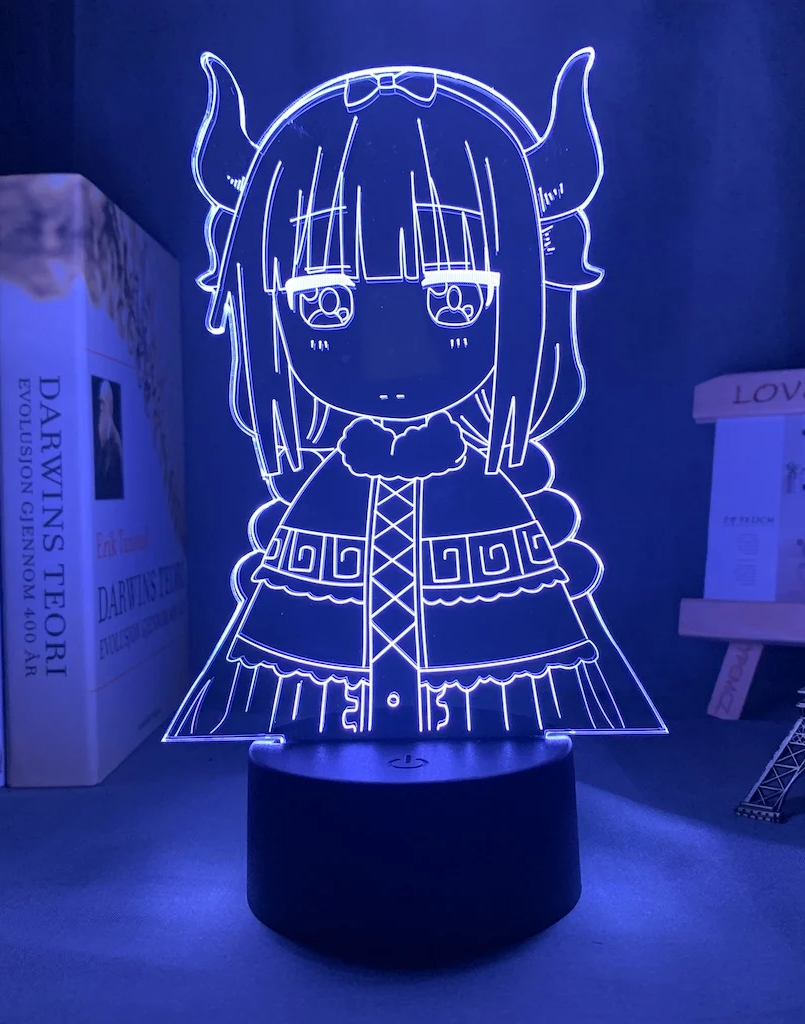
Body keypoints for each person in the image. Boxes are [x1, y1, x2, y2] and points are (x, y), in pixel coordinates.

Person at [165, 50, 666, 741]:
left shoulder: (494, 509)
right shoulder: (321, 509)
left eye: (456, 297)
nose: (392, 357)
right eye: (326, 303)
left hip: (492, 698)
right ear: (266, 306)